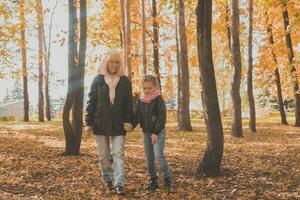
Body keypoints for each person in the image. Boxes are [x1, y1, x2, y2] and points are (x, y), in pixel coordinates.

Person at [85, 51, 133, 195]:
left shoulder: (125, 81)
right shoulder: (97, 80)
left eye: (117, 62)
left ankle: (119, 183)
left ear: (120, 64)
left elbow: (129, 104)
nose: (114, 65)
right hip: (100, 122)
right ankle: (107, 178)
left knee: (118, 154)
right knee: (103, 155)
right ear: (106, 63)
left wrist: (130, 121)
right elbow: (91, 102)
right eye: (111, 62)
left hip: (119, 123)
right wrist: (88, 122)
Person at [132, 74, 172, 191]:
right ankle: (153, 180)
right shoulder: (140, 100)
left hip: (158, 132)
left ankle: (167, 179)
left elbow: (162, 117)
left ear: (155, 87)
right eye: (145, 88)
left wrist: (155, 132)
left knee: (159, 155)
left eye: (150, 88)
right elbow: (137, 116)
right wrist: (131, 126)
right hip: (146, 132)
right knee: (149, 157)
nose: (147, 90)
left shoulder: (158, 99)